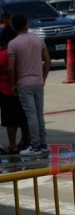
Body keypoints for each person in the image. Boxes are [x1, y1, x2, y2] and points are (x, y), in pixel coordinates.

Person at [7, 14, 51, 156]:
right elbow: (48, 61)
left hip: (24, 84)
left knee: (31, 115)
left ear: (14, 27)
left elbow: (11, 68)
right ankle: (43, 144)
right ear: (26, 25)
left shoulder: (13, 44)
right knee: (39, 114)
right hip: (38, 82)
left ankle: (35, 146)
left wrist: (13, 83)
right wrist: (43, 77)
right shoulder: (38, 40)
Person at [0, 25, 30, 154]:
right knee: (24, 118)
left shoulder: (2, 55)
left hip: (5, 91)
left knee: (9, 120)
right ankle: (25, 141)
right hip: (22, 88)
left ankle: (12, 145)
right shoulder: (21, 53)